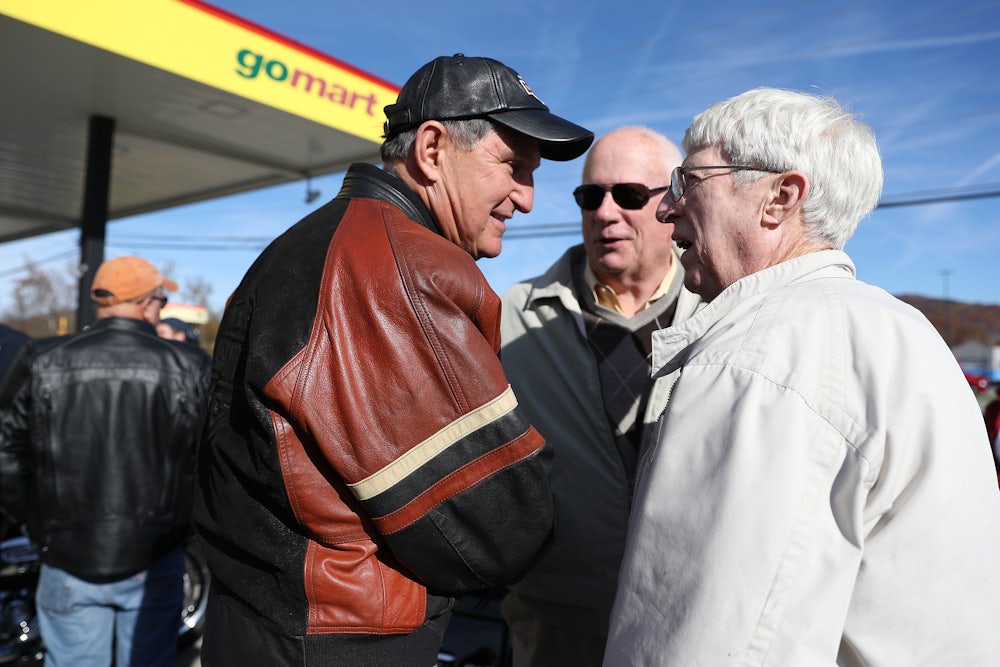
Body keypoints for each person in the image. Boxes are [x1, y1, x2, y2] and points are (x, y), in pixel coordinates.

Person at [192, 54, 593, 667]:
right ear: (432, 149)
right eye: (513, 166)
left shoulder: (326, 241)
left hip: (278, 620)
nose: (528, 199)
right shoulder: (399, 266)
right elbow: (496, 527)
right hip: (339, 638)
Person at [604, 88, 1000, 666]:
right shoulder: (904, 331)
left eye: (688, 183)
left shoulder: (755, 358)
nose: (666, 210)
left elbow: (709, 642)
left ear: (779, 198)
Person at [499, 126, 702, 666]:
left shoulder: (723, 311)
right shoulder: (512, 316)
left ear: (674, 203)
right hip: (555, 625)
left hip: (689, 626)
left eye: (630, 195)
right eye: (591, 196)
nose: (605, 212)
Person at [0, 256, 211, 667]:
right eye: (162, 299)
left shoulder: (42, 358)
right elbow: (209, 461)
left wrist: (38, 526)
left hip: (67, 554)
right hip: (153, 555)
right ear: (148, 302)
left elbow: (6, 454)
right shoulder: (189, 365)